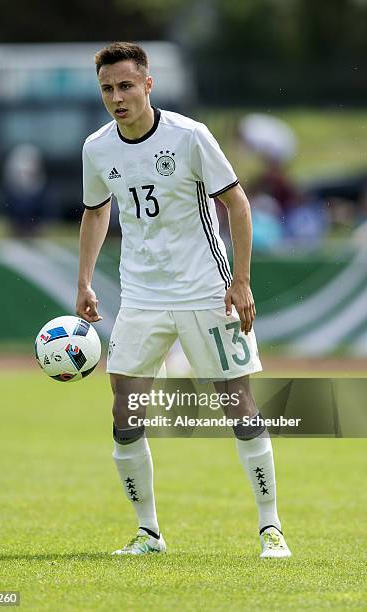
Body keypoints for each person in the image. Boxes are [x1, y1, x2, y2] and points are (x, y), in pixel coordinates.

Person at [76, 42, 291, 558]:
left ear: (148, 85)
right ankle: (148, 533)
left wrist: (240, 280)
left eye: (126, 85)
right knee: (125, 416)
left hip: (205, 290)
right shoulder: (97, 148)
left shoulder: (190, 136)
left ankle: (270, 529)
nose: (117, 97)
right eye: (107, 88)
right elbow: (95, 212)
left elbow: (237, 204)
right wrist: (84, 281)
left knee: (238, 407)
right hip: (142, 296)